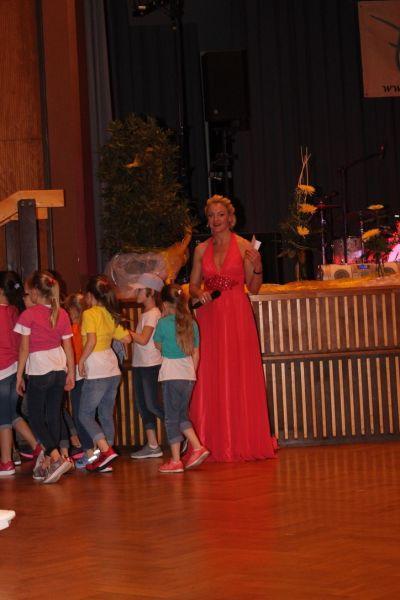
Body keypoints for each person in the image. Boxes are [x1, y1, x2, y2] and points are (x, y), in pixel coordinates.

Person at [189, 195, 277, 462]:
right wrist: (199, 293)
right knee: (209, 373)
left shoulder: (243, 246)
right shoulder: (201, 249)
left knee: (238, 373)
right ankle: (208, 441)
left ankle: (241, 440)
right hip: (209, 316)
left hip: (237, 315)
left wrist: (258, 267)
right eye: (211, 215)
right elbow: (193, 285)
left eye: (220, 215)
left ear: (230, 218)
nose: (215, 220)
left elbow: (254, 288)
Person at [14, 270, 75, 483]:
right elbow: (68, 346)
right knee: (53, 415)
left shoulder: (28, 315)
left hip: (39, 369)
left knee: (35, 416)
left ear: (35, 292)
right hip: (59, 368)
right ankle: (51, 459)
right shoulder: (62, 313)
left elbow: (24, 349)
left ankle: (55, 457)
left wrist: (19, 375)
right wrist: (71, 372)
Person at [153, 284, 209, 473]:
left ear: (165, 304)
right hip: (188, 375)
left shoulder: (163, 323)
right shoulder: (192, 323)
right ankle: (197, 447)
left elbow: (157, 346)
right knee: (181, 415)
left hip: (171, 374)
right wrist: (191, 373)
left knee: (171, 418)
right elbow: (196, 353)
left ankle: (177, 460)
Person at [78, 275, 131, 472]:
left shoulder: (89, 313)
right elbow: (126, 338)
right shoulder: (110, 313)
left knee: (85, 414)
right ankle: (105, 457)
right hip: (112, 369)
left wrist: (81, 360)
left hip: (97, 368)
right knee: (106, 414)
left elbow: (91, 341)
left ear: (90, 295)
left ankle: (105, 451)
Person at [0, 271, 40, 476]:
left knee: (3, 418)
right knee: (11, 414)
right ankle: (38, 448)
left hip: (1, 370)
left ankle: (6, 462)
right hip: (15, 369)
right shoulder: (15, 311)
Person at [129, 273, 164, 460]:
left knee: (153, 405)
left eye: (140, 290)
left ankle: (181, 432)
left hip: (150, 365)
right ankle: (152, 445)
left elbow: (143, 340)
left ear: (150, 292)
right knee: (143, 405)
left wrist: (125, 330)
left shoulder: (153, 314)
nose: (137, 293)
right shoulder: (147, 313)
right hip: (141, 364)